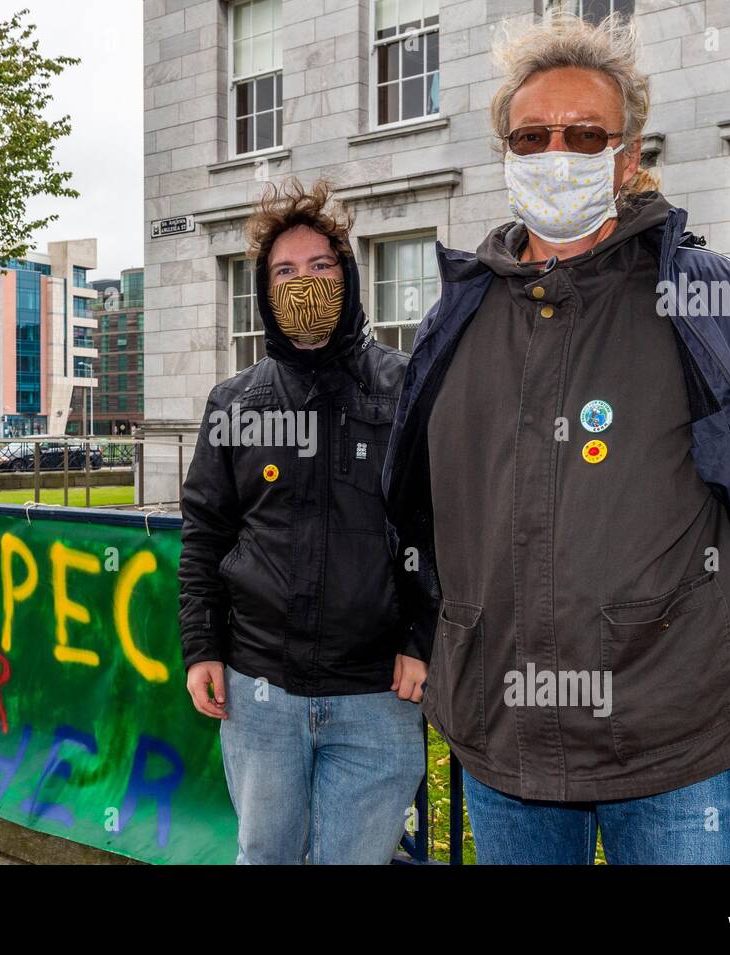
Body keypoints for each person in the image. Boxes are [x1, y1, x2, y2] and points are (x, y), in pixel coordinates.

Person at [382, 12, 730, 865]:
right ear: (507, 153)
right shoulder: (456, 313)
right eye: (534, 133)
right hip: (501, 733)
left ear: (626, 159)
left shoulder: (709, 301)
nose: (557, 149)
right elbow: (420, 505)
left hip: (673, 737)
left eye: (585, 133)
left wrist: (695, 626)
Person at [178, 177, 426, 864]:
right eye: (284, 271)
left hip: (377, 693)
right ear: (263, 291)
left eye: (320, 266)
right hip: (261, 693)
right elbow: (204, 535)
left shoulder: (407, 388)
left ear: (347, 276)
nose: (303, 284)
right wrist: (202, 648)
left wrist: (423, 636)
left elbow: (437, 526)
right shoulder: (234, 401)